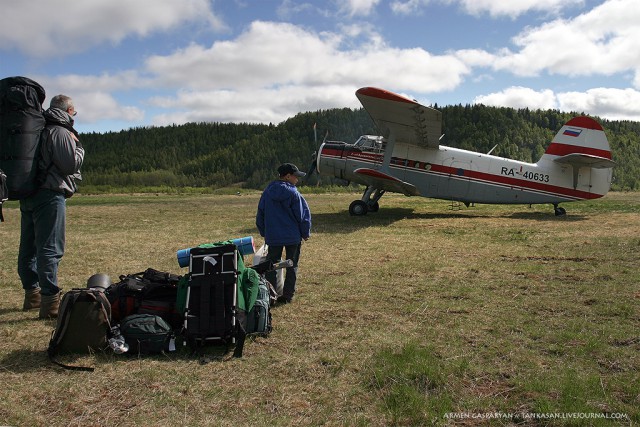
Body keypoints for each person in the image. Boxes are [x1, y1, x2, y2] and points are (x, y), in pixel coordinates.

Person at [19, 94, 85, 319]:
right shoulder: (59, 131)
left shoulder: (38, 127)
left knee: (28, 247)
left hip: (28, 193)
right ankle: (50, 302)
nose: (74, 116)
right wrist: (79, 149)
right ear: (68, 110)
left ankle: (32, 295)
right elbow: (68, 164)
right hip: (50, 194)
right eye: (74, 112)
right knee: (50, 247)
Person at [256, 163, 311, 304]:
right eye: (295, 176)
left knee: (271, 266)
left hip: (273, 236)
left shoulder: (267, 192)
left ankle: (271, 296)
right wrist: (305, 232)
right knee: (292, 265)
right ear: (287, 176)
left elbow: (260, 214)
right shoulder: (294, 193)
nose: (297, 179)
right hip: (292, 236)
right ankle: (287, 296)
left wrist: (264, 231)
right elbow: (302, 215)